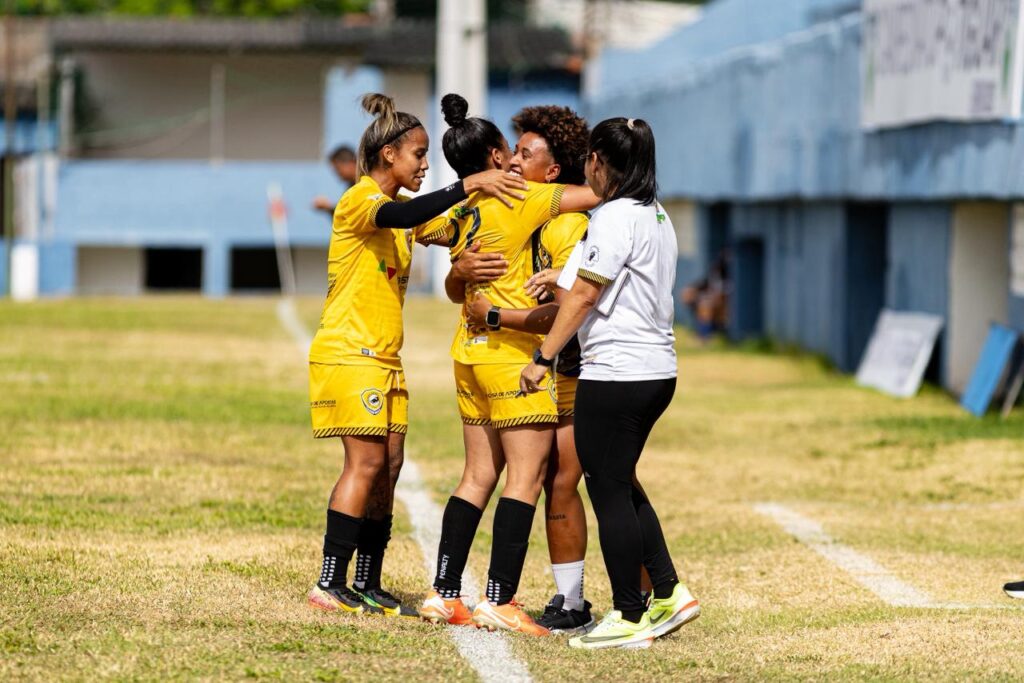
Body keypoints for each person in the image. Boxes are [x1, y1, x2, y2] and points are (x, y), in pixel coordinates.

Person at [306, 93, 526, 619]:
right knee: (364, 463)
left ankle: (367, 580)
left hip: (385, 359)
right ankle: (328, 581)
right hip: (349, 353)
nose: (426, 165)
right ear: (388, 156)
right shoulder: (361, 200)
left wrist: (486, 227)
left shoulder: (404, 219)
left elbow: (444, 227)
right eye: (419, 154)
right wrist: (468, 183)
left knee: (391, 466)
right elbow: (407, 212)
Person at [417, 94, 599, 635]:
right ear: (497, 155)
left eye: (526, 154)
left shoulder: (464, 206)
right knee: (526, 476)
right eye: (512, 153)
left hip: (466, 353)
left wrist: (460, 266)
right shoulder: (528, 199)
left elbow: (424, 229)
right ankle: (500, 599)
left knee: (478, 475)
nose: (517, 163)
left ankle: (444, 593)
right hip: (510, 357)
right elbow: (602, 191)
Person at [520, 117, 701, 650]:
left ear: (599, 161)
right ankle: (668, 592)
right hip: (656, 371)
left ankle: (628, 613)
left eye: (588, 162)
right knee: (620, 481)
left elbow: (584, 297)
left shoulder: (614, 215)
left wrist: (543, 356)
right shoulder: (656, 213)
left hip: (617, 373)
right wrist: (561, 277)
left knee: (607, 489)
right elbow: (604, 278)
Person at [312, 145, 358, 215]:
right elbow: (345, 216)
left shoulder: (365, 183)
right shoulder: (351, 186)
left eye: (338, 168)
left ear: (351, 163)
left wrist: (328, 207)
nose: (337, 174)